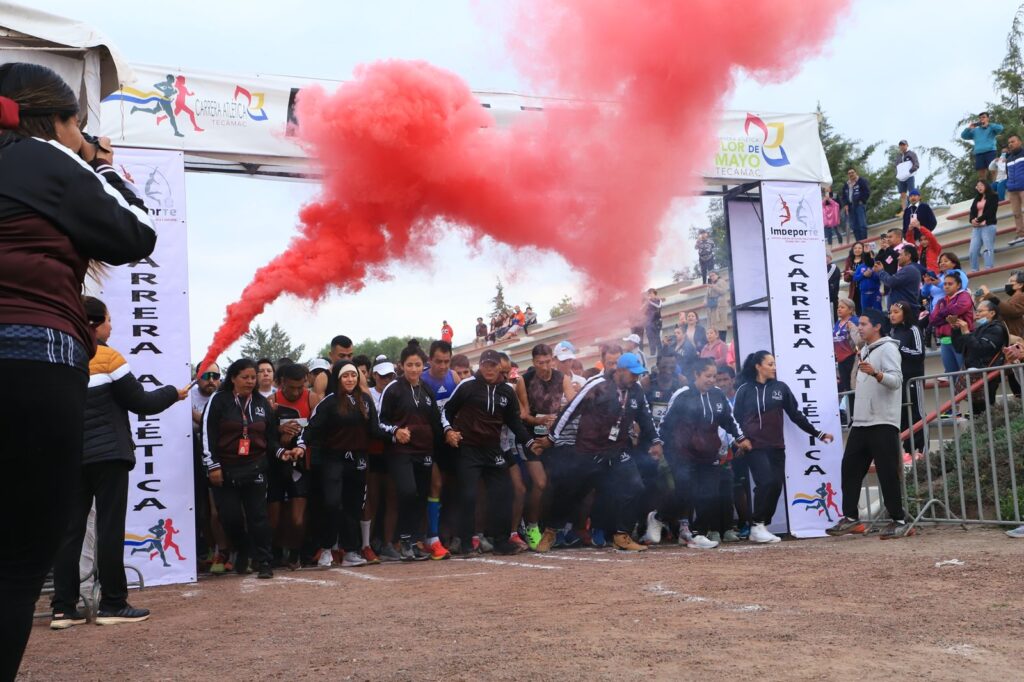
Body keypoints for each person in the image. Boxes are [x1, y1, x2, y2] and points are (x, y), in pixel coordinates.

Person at [0, 63, 160, 678]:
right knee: (17, 556)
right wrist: (101, 163)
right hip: (28, 362)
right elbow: (136, 232)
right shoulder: (44, 156)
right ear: (58, 121)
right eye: (78, 126)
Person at [50, 298, 186, 630]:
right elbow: (141, 402)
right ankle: (113, 603)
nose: (112, 326)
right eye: (109, 321)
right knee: (110, 530)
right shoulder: (108, 356)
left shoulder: (58, 355)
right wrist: (173, 393)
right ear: (95, 325)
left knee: (70, 533)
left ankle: (62, 609)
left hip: (70, 457)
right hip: (109, 456)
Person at [537, 352, 660, 553]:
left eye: (638, 374)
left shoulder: (636, 390)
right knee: (571, 493)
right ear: (620, 370)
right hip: (589, 450)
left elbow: (645, 416)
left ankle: (621, 534)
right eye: (633, 373)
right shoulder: (597, 384)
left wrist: (655, 440)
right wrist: (551, 438)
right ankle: (551, 531)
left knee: (635, 486)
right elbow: (571, 409)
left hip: (616, 450)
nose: (636, 377)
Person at [202, 359, 302, 579]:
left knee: (259, 517)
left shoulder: (261, 403)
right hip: (225, 469)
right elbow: (207, 434)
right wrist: (213, 466)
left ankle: (264, 561)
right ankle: (243, 548)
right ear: (233, 378)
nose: (250, 381)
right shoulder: (218, 401)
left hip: (255, 467)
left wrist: (281, 453)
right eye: (245, 377)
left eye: (252, 377)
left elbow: (271, 439)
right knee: (230, 517)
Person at [827, 308, 913, 539]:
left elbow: (896, 381)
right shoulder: (865, 349)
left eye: (864, 324)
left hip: (883, 421)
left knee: (887, 473)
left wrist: (876, 374)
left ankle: (899, 519)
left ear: (877, 327)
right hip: (862, 422)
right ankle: (852, 518)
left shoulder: (888, 349)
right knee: (850, 469)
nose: (860, 327)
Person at [732, 352, 833, 544]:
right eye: (770, 364)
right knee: (766, 481)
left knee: (776, 485)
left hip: (777, 446)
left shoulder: (781, 388)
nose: (774, 367)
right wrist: (738, 441)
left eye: (774, 364)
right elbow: (734, 420)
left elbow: (796, 415)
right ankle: (756, 524)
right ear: (758, 366)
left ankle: (761, 525)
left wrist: (818, 433)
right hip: (754, 446)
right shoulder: (744, 390)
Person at [442, 349, 535, 556]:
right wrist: (448, 430)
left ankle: (501, 540)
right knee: (468, 494)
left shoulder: (507, 391)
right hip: (469, 448)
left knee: (504, 492)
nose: (489, 369)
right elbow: (446, 410)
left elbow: (514, 422)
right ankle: (466, 542)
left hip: (493, 449)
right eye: (486, 365)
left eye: (493, 366)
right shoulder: (467, 386)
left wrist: (529, 442)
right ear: (480, 366)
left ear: (500, 368)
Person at [298, 361, 387, 568]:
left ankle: (351, 551)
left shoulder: (365, 400)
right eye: (345, 376)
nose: (350, 380)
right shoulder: (329, 402)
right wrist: (301, 446)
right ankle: (327, 549)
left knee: (354, 506)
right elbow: (311, 428)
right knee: (331, 503)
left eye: (354, 376)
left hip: (358, 460)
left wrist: (396, 432)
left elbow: (375, 429)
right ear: (338, 378)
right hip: (333, 460)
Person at [660, 357, 751, 549]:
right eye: (707, 376)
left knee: (709, 493)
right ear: (696, 375)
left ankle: (698, 533)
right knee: (685, 490)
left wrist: (741, 438)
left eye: (714, 376)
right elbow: (665, 423)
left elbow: (729, 419)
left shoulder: (718, 395)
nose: (712, 380)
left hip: (708, 453)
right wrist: (658, 444)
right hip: (681, 453)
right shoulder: (682, 395)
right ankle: (660, 516)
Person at [377, 345, 444, 561]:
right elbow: (379, 421)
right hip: (400, 450)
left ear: (422, 366)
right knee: (407, 491)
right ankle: (402, 540)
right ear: (401, 366)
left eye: (417, 365)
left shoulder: (426, 390)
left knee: (420, 496)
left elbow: (437, 419)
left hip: (424, 450)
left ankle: (414, 541)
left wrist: (449, 431)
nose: (414, 369)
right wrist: (396, 431)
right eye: (409, 365)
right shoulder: (393, 389)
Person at [515, 344, 577, 550]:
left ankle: (552, 527)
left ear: (553, 359)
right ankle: (531, 527)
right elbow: (523, 416)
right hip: (531, 438)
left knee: (556, 482)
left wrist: (557, 418)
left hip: (554, 437)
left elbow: (573, 406)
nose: (544, 367)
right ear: (533, 362)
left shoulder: (562, 378)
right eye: (540, 363)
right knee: (540, 483)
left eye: (548, 361)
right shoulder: (524, 380)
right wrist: (540, 420)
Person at [266, 362, 315, 568]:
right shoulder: (271, 401)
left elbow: (318, 429)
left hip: (301, 465)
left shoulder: (311, 399)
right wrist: (280, 433)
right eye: (291, 387)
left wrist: (301, 446)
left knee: (297, 519)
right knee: (274, 519)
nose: (296, 392)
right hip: (275, 465)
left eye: (300, 387)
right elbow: (262, 434)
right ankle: (275, 553)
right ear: (281, 383)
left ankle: (295, 553)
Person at [420, 340, 460, 558]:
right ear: (430, 360)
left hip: (449, 442)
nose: (443, 366)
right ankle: (431, 536)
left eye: (447, 361)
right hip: (429, 443)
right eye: (439, 362)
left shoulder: (453, 377)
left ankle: (448, 533)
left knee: (451, 487)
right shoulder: (421, 380)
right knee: (435, 484)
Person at [952, 297, 1010, 408]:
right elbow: (959, 348)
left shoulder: (996, 329)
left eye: (980, 311)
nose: (977, 314)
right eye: (976, 311)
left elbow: (981, 349)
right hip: (975, 374)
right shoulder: (978, 329)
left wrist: (966, 332)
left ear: (992, 313)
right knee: (977, 411)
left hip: (987, 374)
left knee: (986, 409)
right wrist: (955, 330)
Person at [887, 302, 926, 455]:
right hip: (899, 380)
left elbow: (919, 353)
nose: (892, 315)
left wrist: (899, 348)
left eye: (896, 312)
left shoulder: (913, 329)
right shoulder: (892, 331)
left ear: (905, 313)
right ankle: (909, 450)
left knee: (916, 413)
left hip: (913, 379)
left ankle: (921, 449)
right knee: (902, 415)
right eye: (890, 312)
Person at [930, 273, 975, 374]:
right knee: (951, 374)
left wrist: (941, 315)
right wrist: (948, 317)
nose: (946, 286)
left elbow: (958, 309)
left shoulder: (964, 295)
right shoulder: (941, 301)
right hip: (944, 340)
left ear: (958, 285)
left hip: (961, 338)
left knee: (964, 373)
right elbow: (932, 319)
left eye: (950, 284)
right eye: (945, 284)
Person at [874, 244, 922, 314]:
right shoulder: (909, 269)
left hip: (905, 313)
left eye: (900, 255)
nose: (898, 258)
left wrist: (881, 271)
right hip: (901, 312)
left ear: (908, 256)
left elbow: (891, 282)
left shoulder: (909, 269)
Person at [960, 111, 1004, 181]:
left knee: (993, 170)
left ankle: (996, 188)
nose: (981, 119)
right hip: (979, 153)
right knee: (981, 174)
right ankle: (983, 190)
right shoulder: (975, 130)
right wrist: (969, 128)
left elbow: (1000, 128)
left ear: (988, 118)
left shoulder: (991, 128)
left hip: (990, 151)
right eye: (980, 118)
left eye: (983, 117)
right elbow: (963, 136)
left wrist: (989, 124)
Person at [979, 271, 1024, 338]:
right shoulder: (1015, 297)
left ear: (1020, 285)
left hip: (1016, 336)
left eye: (1011, 281)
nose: (1008, 284)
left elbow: (1011, 311)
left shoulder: (1021, 296)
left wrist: (989, 295)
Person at [968, 180, 999, 272]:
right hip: (977, 228)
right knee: (972, 250)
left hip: (988, 226)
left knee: (987, 248)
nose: (979, 187)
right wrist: (972, 220)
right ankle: (974, 269)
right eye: (977, 186)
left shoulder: (993, 196)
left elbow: (991, 211)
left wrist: (978, 219)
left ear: (986, 185)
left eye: (981, 185)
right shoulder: (977, 198)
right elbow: (972, 211)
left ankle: (988, 267)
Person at [833, 298, 861, 397]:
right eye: (838, 307)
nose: (839, 309)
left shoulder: (854, 321)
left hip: (852, 357)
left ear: (850, 309)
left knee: (852, 385)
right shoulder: (837, 323)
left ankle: (854, 410)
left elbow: (859, 341)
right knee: (845, 386)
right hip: (841, 359)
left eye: (842, 307)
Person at [842, 167, 871, 241]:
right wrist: (845, 204)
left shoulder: (861, 181)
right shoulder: (846, 184)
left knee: (862, 224)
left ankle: (864, 241)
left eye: (852, 172)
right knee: (854, 226)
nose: (851, 174)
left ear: (856, 172)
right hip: (850, 207)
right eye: (849, 173)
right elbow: (843, 196)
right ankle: (858, 242)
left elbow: (867, 192)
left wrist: (862, 200)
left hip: (859, 205)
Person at [1005, 134, 1024, 246]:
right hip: (1012, 189)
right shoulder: (1009, 158)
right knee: (1016, 213)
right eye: (1009, 143)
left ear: (1020, 142)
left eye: (1013, 141)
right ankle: (1021, 235)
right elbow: (1007, 174)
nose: (1010, 144)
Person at [843, 242, 871, 315]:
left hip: (865, 288)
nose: (857, 250)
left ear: (863, 249)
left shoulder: (867, 259)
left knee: (867, 311)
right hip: (854, 290)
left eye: (859, 248)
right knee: (859, 312)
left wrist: (857, 274)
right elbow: (845, 278)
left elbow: (870, 273)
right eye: (855, 248)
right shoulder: (849, 260)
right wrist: (850, 274)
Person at [894, 140, 920, 212]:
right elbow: (896, 166)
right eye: (901, 145)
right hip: (901, 178)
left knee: (912, 192)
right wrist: (897, 174)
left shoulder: (911, 154)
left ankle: (914, 207)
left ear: (907, 145)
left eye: (903, 145)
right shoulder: (898, 156)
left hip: (909, 176)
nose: (902, 146)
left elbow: (916, 164)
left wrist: (910, 171)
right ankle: (904, 210)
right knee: (902, 194)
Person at [705, 271, 730, 341]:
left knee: (721, 327)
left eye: (713, 275)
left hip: (720, 307)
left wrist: (713, 287)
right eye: (710, 276)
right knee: (713, 328)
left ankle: (722, 342)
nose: (711, 277)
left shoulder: (721, 281)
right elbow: (707, 295)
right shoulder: (710, 284)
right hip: (712, 308)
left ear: (717, 275)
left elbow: (723, 291)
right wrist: (705, 301)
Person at [641, 288, 663, 356]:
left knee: (658, 339)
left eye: (651, 293)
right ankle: (652, 354)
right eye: (649, 294)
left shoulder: (658, 301)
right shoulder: (647, 302)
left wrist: (648, 301)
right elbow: (641, 310)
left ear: (655, 294)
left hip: (656, 322)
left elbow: (658, 306)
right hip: (648, 324)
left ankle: (660, 354)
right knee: (650, 340)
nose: (650, 295)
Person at [827, 254, 841, 321]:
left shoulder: (833, 267)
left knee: (832, 319)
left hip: (831, 299)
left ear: (829, 257)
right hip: (825, 299)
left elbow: (824, 280)